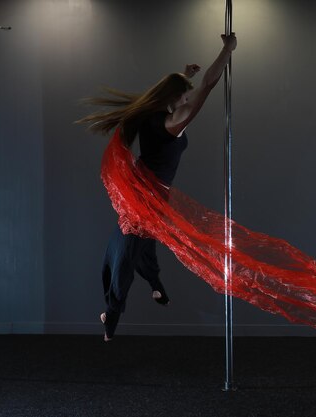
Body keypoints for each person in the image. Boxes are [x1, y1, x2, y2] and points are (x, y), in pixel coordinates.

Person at [77, 33, 237, 341]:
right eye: (183, 97)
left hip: (143, 188)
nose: (187, 101)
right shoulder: (173, 122)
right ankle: (111, 314)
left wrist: (184, 75)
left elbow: (179, 90)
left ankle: (155, 286)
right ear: (175, 100)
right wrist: (226, 49)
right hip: (147, 196)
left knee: (146, 241)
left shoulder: (152, 113)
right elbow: (208, 87)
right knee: (129, 248)